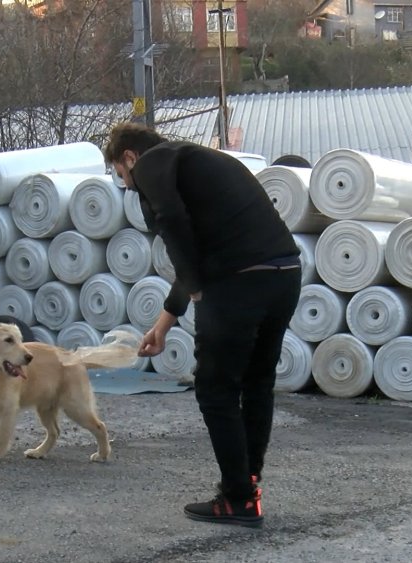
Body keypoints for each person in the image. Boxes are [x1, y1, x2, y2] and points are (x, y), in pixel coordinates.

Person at [104, 122, 302, 528]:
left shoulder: (154, 161)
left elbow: (172, 219)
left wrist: (195, 288)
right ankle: (246, 487)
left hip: (240, 281)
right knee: (256, 382)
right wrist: (164, 322)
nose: (129, 187)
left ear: (129, 157)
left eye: (124, 177)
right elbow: (201, 245)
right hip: (284, 273)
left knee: (215, 388)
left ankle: (237, 499)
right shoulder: (197, 163)